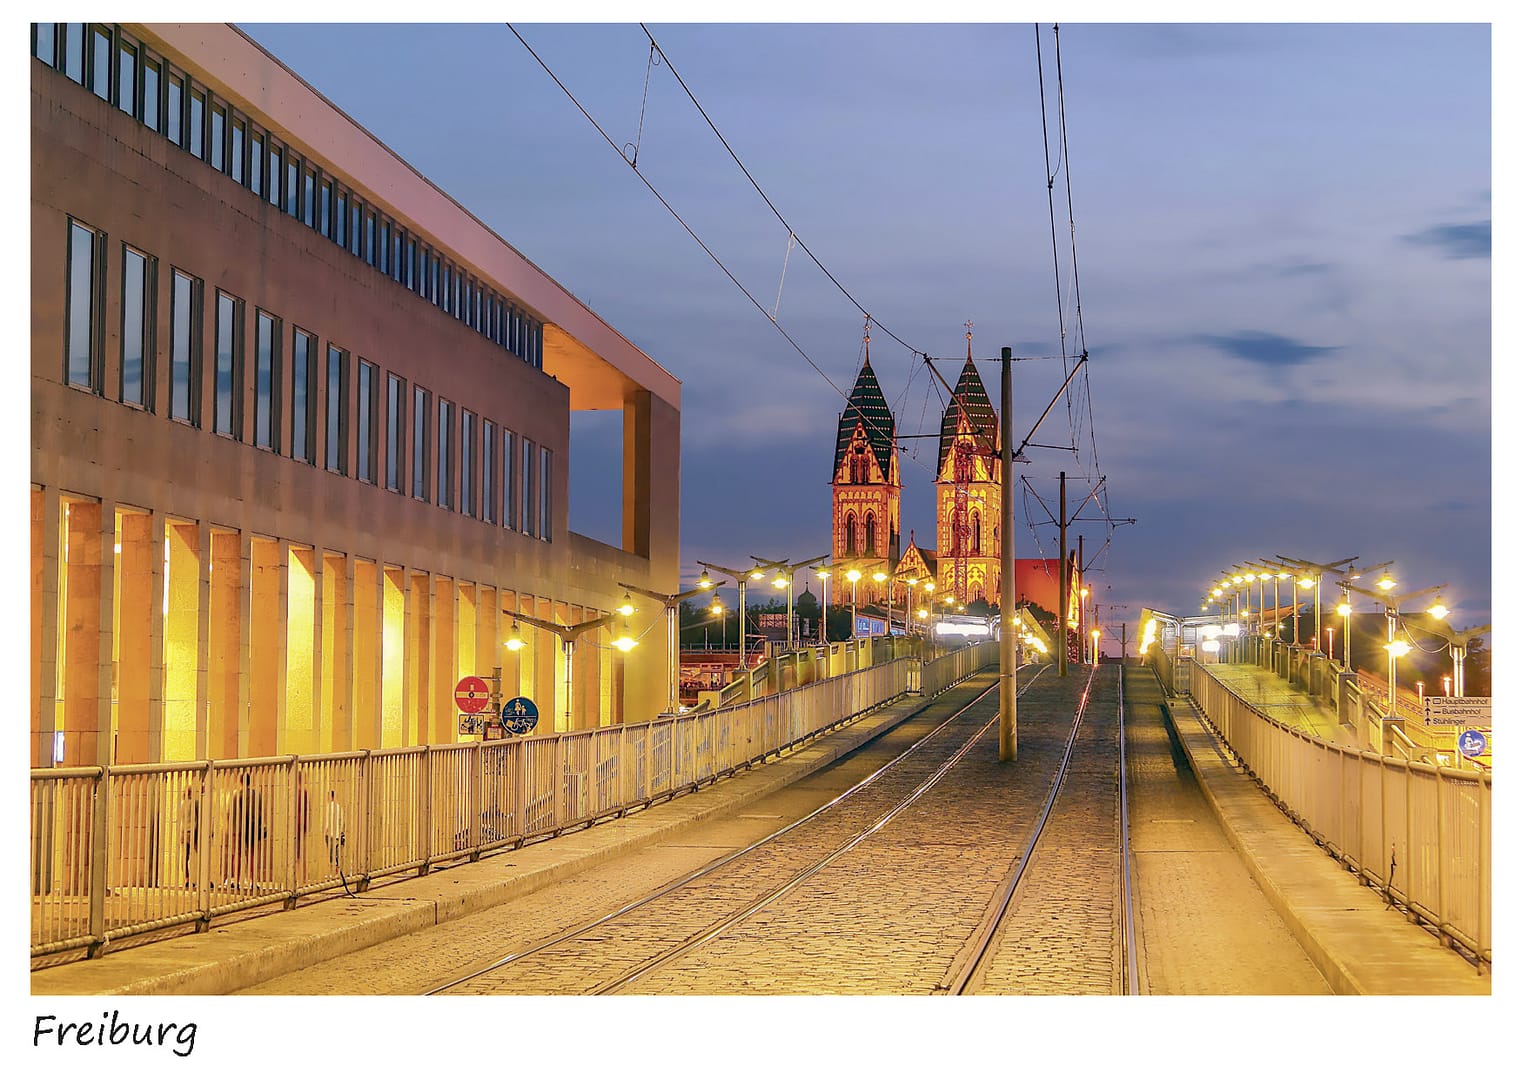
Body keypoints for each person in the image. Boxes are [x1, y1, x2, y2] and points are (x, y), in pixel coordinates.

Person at [227, 774, 265, 890]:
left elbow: (231, 814)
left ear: (240, 781)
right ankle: (253, 881)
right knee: (252, 855)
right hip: (253, 828)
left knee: (238, 855)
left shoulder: (236, 795)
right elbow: (260, 811)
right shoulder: (257, 795)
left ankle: (237, 881)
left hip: (239, 828)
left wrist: (231, 829)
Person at [180, 785, 200, 888]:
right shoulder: (194, 803)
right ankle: (198, 877)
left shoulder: (181, 804)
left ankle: (186, 878)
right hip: (192, 832)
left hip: (183, 832)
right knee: (197, 856)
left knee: (185, 857)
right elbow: (196, 820)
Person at [323, 790, 345, 871]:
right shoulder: (339, 807)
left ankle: (332, 870)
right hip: (337, 833)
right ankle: (337, 870)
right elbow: (342, 821)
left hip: (330, 834)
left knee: (331, 853)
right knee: (336, 853)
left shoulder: (329, 807)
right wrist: (340, 831)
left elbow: (327, 821)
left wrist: (325, 831)